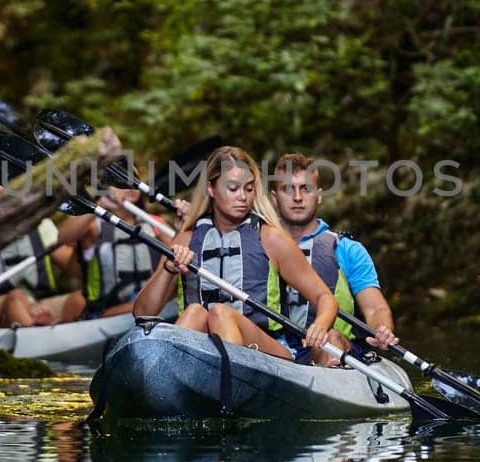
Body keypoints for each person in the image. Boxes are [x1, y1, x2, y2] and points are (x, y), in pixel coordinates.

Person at [132, 145, 342, 365]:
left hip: (269, 352)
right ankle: (168, 375)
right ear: (211, 189)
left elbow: (324, 297)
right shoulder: (187, 239)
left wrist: (320, 324)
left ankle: (228, 382)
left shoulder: (270, 238)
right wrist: (168, 269)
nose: (243, 197)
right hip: (203, 352)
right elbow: (143, 312)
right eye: (233, 188)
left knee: (220, 313)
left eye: (249, 189)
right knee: (195, 312)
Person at [268, 152, 401, 355]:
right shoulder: (258, 246)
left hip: (334, 349)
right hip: (276, 351)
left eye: (306, 189)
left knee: (330, 339)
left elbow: (375, 308)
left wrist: (382, 329)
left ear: (319, 195)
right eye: (288, 190)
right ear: (274, 198)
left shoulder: (347, 249)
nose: (297, 198)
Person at [0, 174, 87, 327]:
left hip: (36, 302)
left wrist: (83, 246)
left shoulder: (40, 224)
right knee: (16, 298)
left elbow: (74, 268)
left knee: (80, 300)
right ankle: (36, 331)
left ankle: (36, 326)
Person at [60, 186, 166, 317]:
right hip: (106, 313)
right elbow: (64, 237)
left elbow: (177, 248)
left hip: (150, 307)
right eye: (121, 182)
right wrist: (98, 206)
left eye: (134, 180)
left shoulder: (154, 222)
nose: (130, 186)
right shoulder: (94, 226)